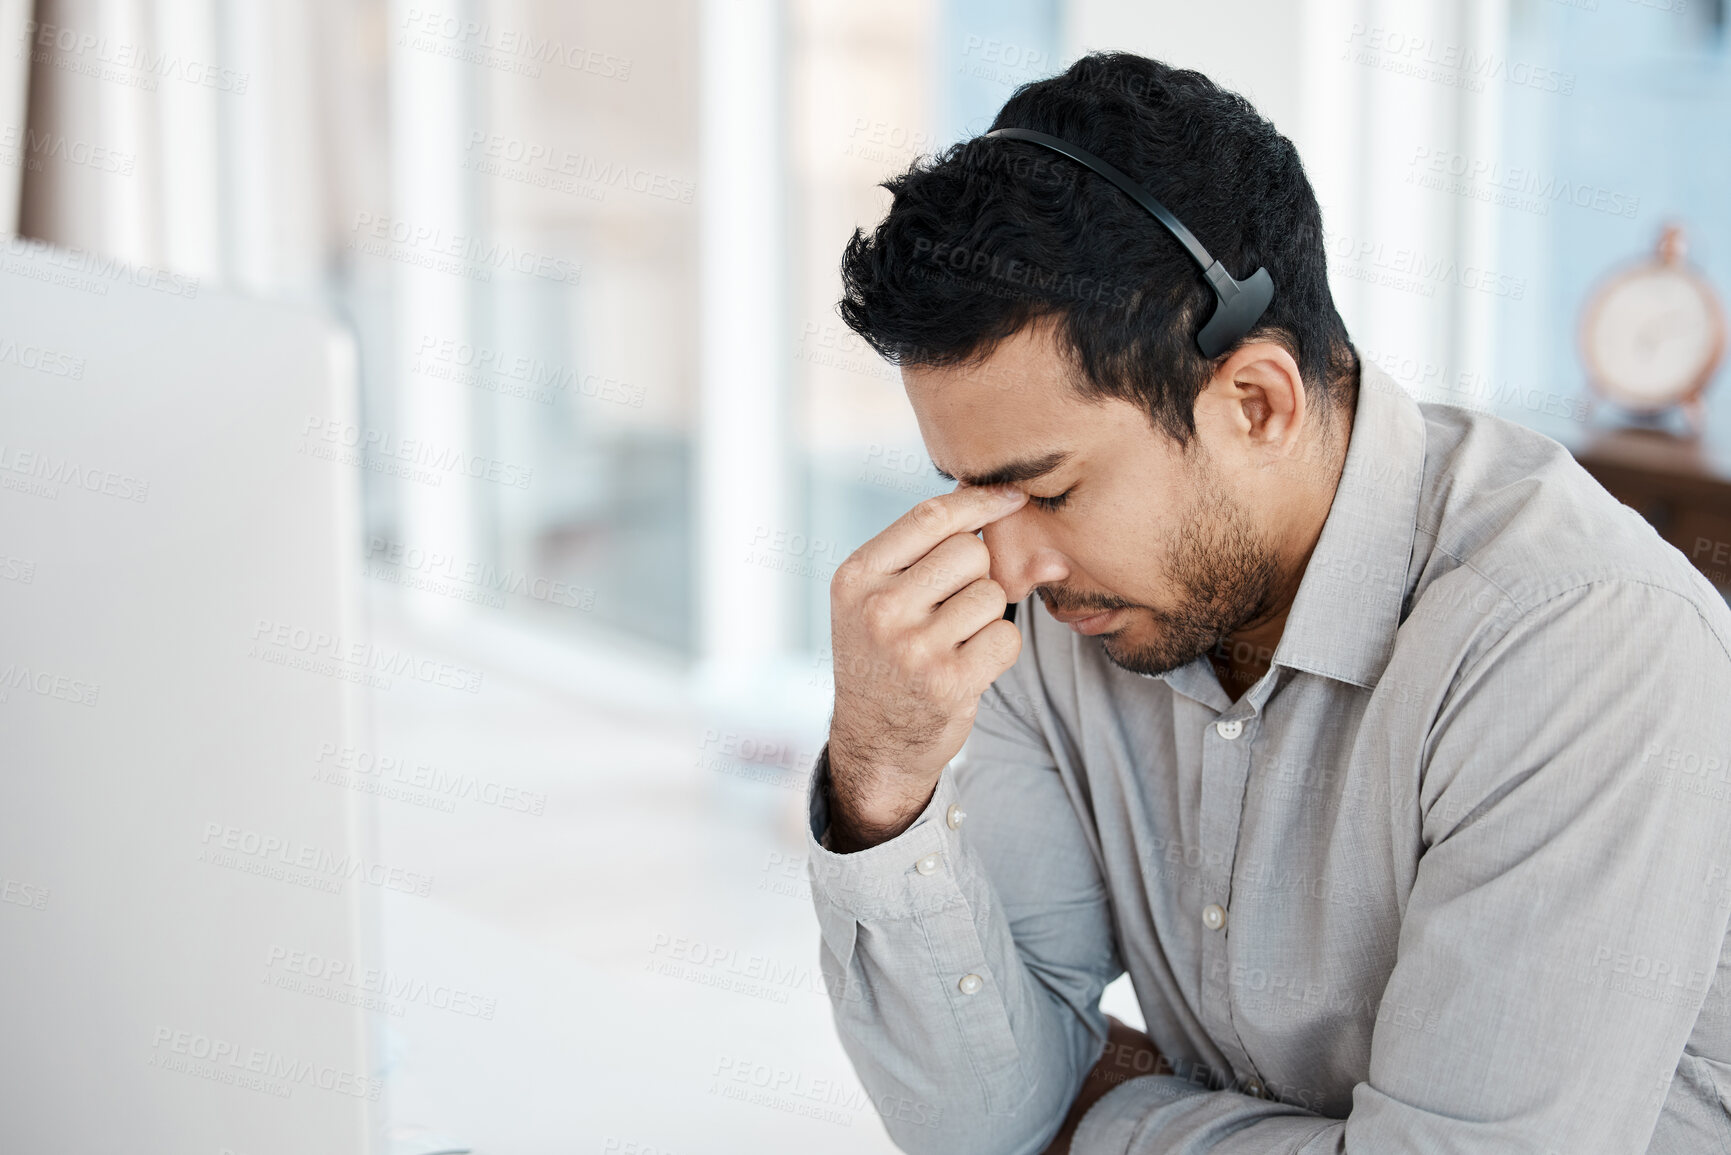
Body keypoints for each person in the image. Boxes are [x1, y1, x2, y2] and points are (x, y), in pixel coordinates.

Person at [801, 51, 1731, 1154]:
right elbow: (989, 1120)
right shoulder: (1068, 604)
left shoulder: (1577, 641)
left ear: (1254, 402)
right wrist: (882, 779)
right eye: (971, 491)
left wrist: (1115, 1113)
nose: (1007, 560)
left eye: (1049, 489)